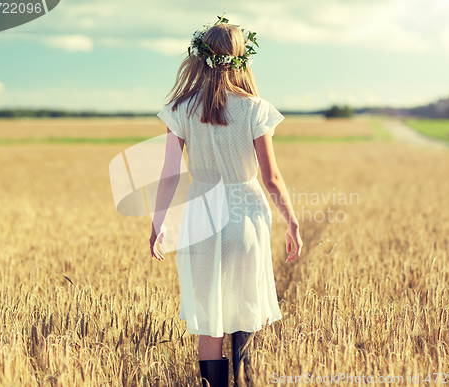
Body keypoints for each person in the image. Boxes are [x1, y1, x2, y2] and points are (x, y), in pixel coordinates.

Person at [150, 16, 303, 387]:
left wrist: (158, 224)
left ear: (200, 59)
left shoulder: (180, 109)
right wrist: (293, 222)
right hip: (246, 214)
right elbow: (272, 178)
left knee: (210, 318)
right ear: (241, 58)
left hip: (200, 215)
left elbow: (170, 174)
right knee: (245, 311)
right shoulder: (255, 109)